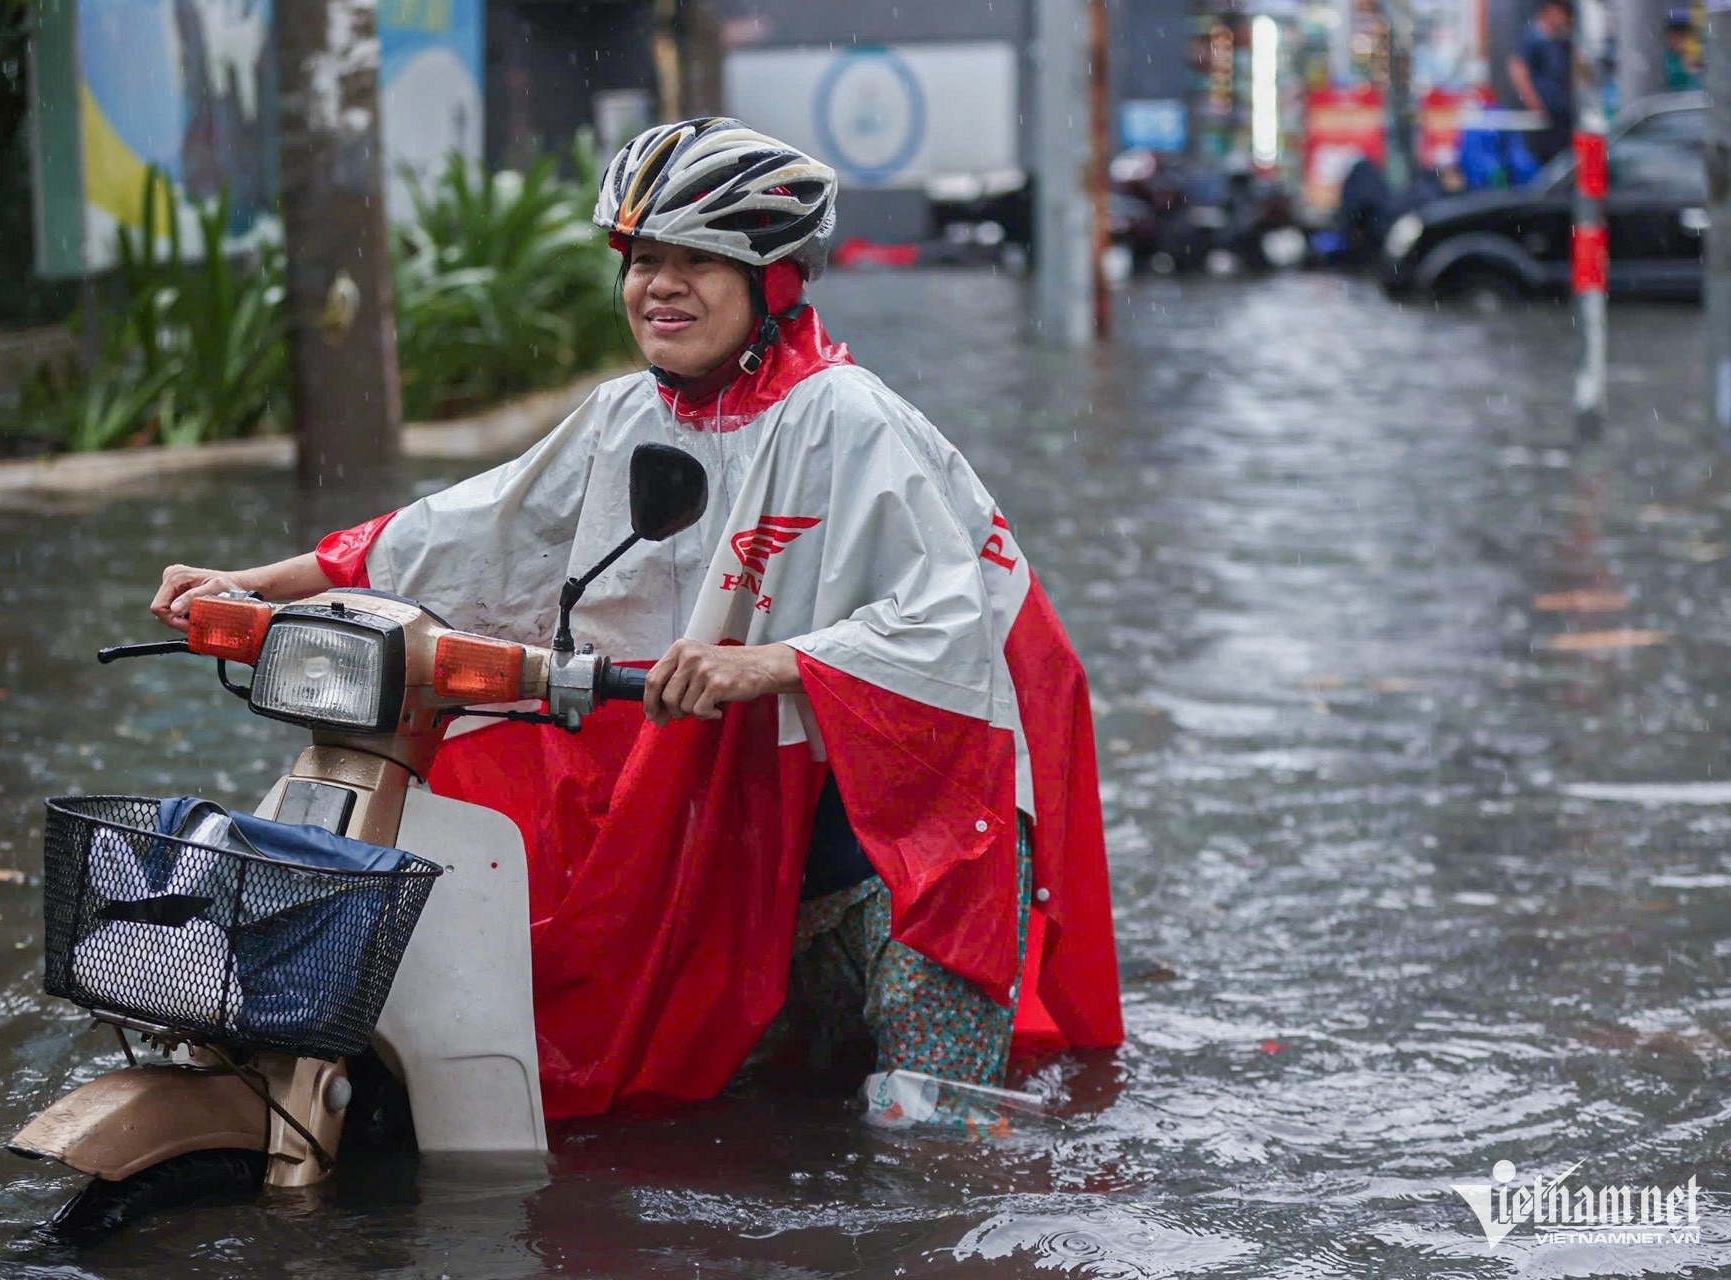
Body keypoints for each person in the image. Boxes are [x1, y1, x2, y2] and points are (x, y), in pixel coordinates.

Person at [149, 118, 1124, 1121]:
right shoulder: (626, 416)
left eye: (699, 259)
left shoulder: (849, 418)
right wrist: (260, 584)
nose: (661, 284)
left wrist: (777, 661)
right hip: (736, 836)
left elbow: (949, 623)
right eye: (644, 258)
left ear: (776, 281)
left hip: (903, 849)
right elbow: (471, 531)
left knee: (929, 1135)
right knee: (691, 1110)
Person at [1507, 0, 1575, 164]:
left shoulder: (1560, 41)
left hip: (1561, 114)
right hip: (1543, 115)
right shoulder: (1532, 38)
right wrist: (1535, 104)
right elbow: (1518, 71)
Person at [1665, 11, 1701, 93]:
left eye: (1679, 38)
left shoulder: (1698, 53)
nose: (1674, 42)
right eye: (1672, 38)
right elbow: (1675, 81)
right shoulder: (1670, 57)